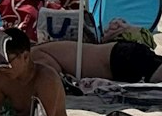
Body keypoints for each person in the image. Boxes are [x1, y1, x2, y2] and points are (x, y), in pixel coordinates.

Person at [30, 37, 162, 83]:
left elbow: (53, 74)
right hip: (117, 54)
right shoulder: (42, 49)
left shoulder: (34, 55)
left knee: (154, 77)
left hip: (116, 58)